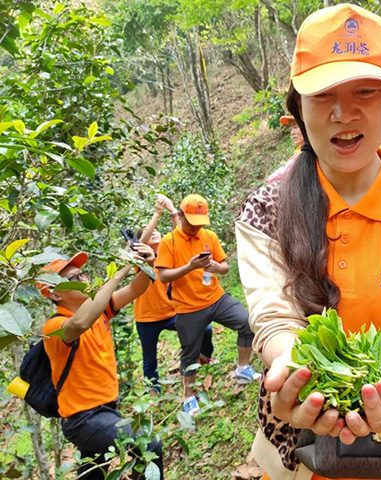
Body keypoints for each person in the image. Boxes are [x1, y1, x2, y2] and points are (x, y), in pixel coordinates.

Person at [236, 4, 381, 480]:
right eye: (323, 95)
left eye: (364, 91)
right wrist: (291, 368)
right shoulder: (266, 211)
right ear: (298, 108)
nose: (343, 113)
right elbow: (273, 315)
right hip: (299, 445)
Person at [38, 249, 163, 479]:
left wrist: (149, 262)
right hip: (84, 419)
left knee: (92, 474)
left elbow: (136, 288)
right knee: (148, 444)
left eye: (82, 273)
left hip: (106, 410)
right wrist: (118, 272)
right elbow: (81, 322)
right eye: (74, 278)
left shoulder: (102, 312)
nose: (83, 279)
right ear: (55, 295)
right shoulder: (54, 328)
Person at [155, 194, 260, 416]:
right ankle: (189, 396)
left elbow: (225, 267)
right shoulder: (169, 242)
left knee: (247, 321)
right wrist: (190, 266)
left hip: (216, 298)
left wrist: (214, 266)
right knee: (190, 353)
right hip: (188, 307)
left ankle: (243, 368)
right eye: (192, 223)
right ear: (180, 216)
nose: (196, 228)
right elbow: (164, 276)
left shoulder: (209, 236)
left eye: (200, 223)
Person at [133, 194, 215, 394]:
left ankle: (204, 356)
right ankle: (154, 390)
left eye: (156, 233)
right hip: (147, 317)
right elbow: (139, 243)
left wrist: (172, 210)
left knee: (205, 329)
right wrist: (156, 214)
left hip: (172, 312)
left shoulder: (170, 250)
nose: (154, 234)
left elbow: (182, 233)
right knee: (149, 357)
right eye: (150, 233)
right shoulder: (140, 258)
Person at [267, 115, 305, 183]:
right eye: (291, 128)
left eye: (296, 127)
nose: (292, 133)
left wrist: (271, 179)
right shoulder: (299, 150)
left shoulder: (306, 153)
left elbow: (285, 171)